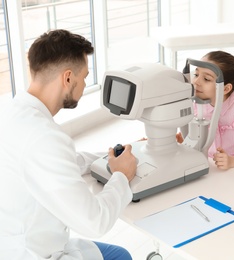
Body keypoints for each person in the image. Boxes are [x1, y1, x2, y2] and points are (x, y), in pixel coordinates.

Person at [0, 29, 137, 259]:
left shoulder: (12, 112)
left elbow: (65, 161)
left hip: (14, 241)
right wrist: (121, 176)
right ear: (67, 78)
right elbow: (95, 222)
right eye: (84, 77)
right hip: (32, 253)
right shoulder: (44, 137)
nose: (84, 84)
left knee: (119, 254)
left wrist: (111, 155)